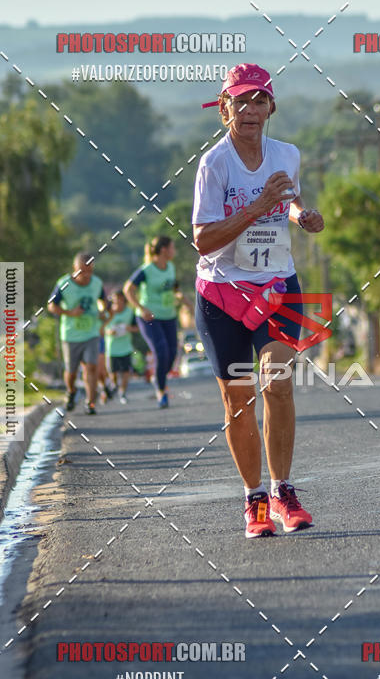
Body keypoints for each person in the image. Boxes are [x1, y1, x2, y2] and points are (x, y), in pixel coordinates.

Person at [193, 63, 324, 538]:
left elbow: (285, 197)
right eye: (240, 101)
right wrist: (255, 207)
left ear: (272, 107)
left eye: (259, 100)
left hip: (276, 286)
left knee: (279, 382)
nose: (250, 110)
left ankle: (283, 490)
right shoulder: (215, 164)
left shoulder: (287, 154)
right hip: (222, 293)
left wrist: (300, 215)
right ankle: (253, 501)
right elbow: (204, 240)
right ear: (224, 108)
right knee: (239, 399)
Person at [124, 236, 180, 408]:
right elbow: (128, 289)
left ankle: (159, 377)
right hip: (149, 318)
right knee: (161, 350)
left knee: (171, 354)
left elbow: (174, 289)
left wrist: (184, 301)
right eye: (172, 247)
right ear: (164, 250)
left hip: (169, 316)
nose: (174, 250)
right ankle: (161, 391)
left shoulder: (170, 267)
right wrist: (141, 308)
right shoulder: (146, 270)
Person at [48, 252, 107, 415]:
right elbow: (51, 305)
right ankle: (71, 391)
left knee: (92, 367)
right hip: (71, 335)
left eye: (90, 270)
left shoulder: (96, 283)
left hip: (91, 332)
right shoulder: (64, 283)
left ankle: (90, 402)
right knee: (72, 371)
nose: (87, 275)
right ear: (75, 268)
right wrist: (69, 312)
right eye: (83, 271)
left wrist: (103, 312)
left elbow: (104, 301)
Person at [104, 290, 138, 404]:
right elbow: (102, 328)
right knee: (113, 374)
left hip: (126, 348)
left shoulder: (129, 312)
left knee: (126, 373)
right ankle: (113, 387)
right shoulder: (108, 313)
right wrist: (109, 331)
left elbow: (137, 328)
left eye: (119, 298)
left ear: (123, 299)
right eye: (114, 299)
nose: (117, 301)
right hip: (112, 349)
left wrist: (129, 328)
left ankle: (122, 392)